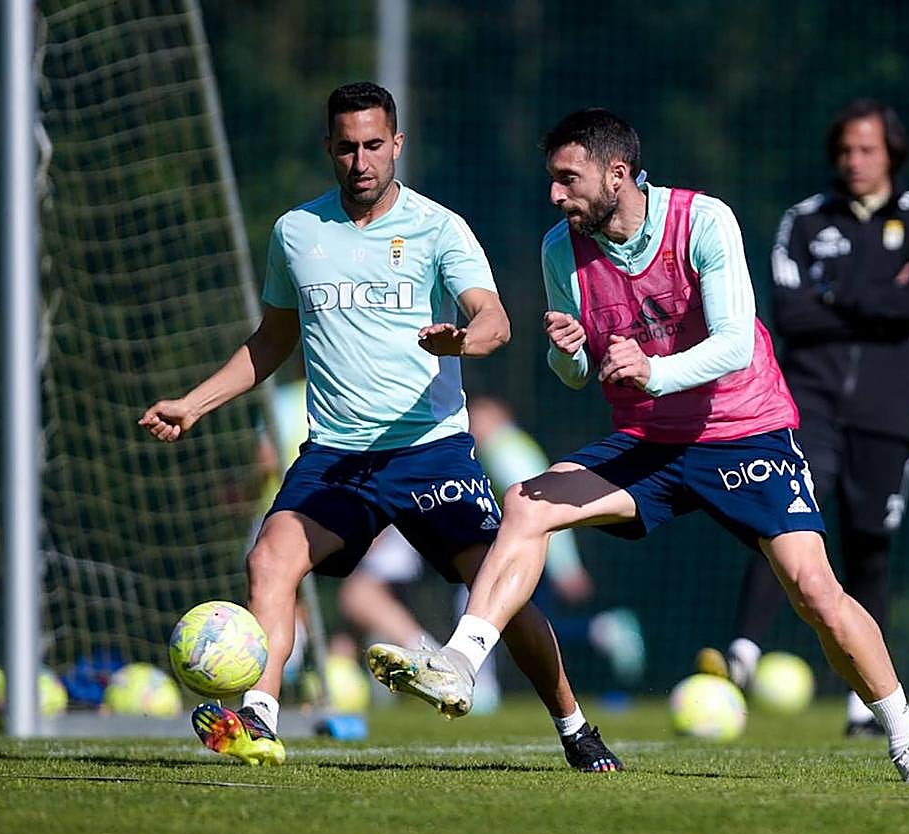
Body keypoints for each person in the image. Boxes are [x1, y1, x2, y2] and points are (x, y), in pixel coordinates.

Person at [366, 107, 909, 785]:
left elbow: (735, 344)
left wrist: (654, 370)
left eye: (568, 178)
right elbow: (577, 373)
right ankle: (460, 663)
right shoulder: (561, 249)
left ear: (617, 174)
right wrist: (569, 354)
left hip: (743, 433)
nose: (555, 194)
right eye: (552, 178)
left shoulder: (702, 220)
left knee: (815, 592)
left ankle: (908, 738)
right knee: (526, 502)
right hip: (649, 442)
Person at [139, 82, 621, 772]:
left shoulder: (439, 227)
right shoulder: (296, 232)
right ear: (328, 149)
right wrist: (194, 402)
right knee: (269, 561)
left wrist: (463, 340)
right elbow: (272, 340)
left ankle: (573, 726)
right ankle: (259, 719)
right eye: (346, 148)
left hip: (430, 453)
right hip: (335, 457)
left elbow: (496, 321)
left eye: (373, 145)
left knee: (498, 593)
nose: (360, 161)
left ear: (397, 144)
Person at [698, 99, 909, 738]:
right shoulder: (805, 220)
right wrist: (876, 298)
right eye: (844, 150)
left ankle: (864, 702)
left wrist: (832, 294)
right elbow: (790, 313)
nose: (853, 161)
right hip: (808, 401)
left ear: (892, 153)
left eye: (867, 149)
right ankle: (739, 660)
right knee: (784, 518)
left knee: (870, 545)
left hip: (891, 409)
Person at [338, 395, 646, 712]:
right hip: (489, 542)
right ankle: (470, 676)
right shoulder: (482, 449)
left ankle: (595, 634)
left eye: (480, 414)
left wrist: (566, 566)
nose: (473, 421)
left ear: (500, 415)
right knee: (512, 616)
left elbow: (541, 507)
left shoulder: (505, 449)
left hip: (515, 551)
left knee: (511, 616)